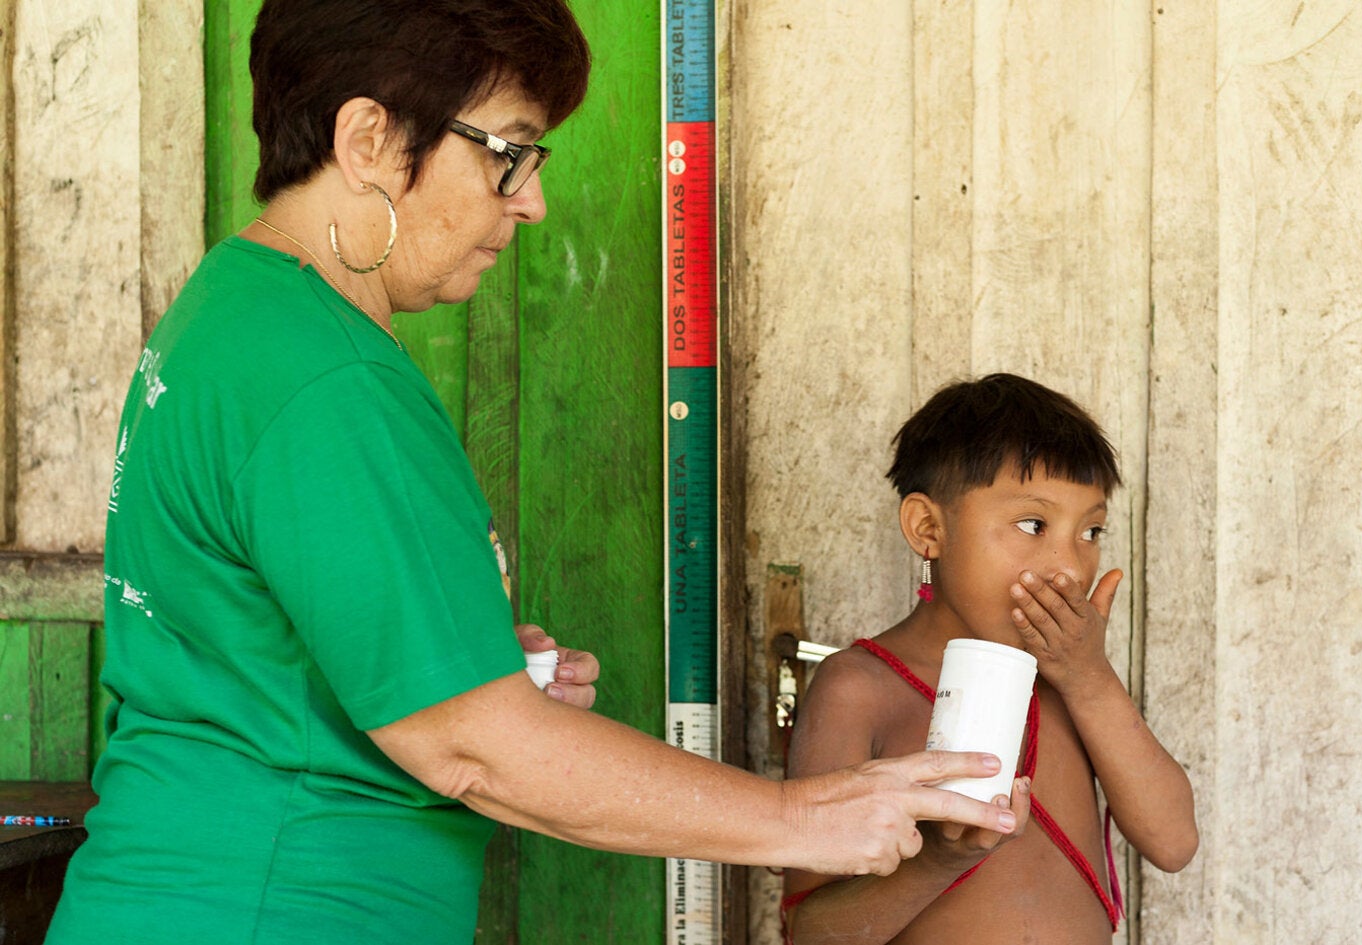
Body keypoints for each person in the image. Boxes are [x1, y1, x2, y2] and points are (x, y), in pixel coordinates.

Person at [43, 3, 1022, 943]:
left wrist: (464, 656)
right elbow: (471, 747)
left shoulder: (233, 311)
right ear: (368, 139)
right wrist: (801, 818)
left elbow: (259, 645)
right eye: (506, 153)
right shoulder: (327, 378)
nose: (532, 199)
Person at [781, 373, 1198, 945]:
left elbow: (1173, 843)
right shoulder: (860, 689)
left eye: (1091, 530)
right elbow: (815, 933)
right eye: (1034, 524)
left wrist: (1090, 680)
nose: (1070, 568)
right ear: (929, 529)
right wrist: (938, 862)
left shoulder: (1073, 684)